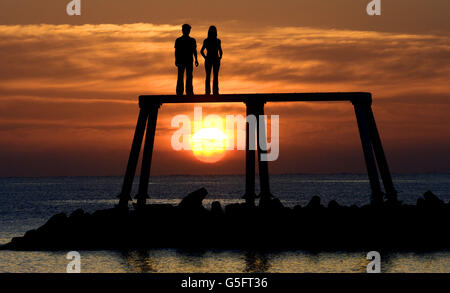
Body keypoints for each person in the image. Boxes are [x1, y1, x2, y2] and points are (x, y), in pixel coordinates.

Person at [175, 24, 199, 95]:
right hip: (182, 61)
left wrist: (196, 59)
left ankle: (188, 91)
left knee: (188, 76)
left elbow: (194, 50)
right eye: (185, 29)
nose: (186, 31)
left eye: (188, 30)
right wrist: (176, 60)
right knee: (181, 76)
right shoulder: (178, 40)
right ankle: (180, 92)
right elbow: (177, 51)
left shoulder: (192, 40)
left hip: (188, 61)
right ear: (182, 30)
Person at [200, 26, 223, 95]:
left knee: (210, 76)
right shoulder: (216, 40)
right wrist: (220, 56)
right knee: (213, 76)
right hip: (213, 59)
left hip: (211, 59)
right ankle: (214, 92)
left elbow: (201, 51)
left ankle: (209, 92)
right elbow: (221, 51)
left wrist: (205, 57)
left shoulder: (209, 40)